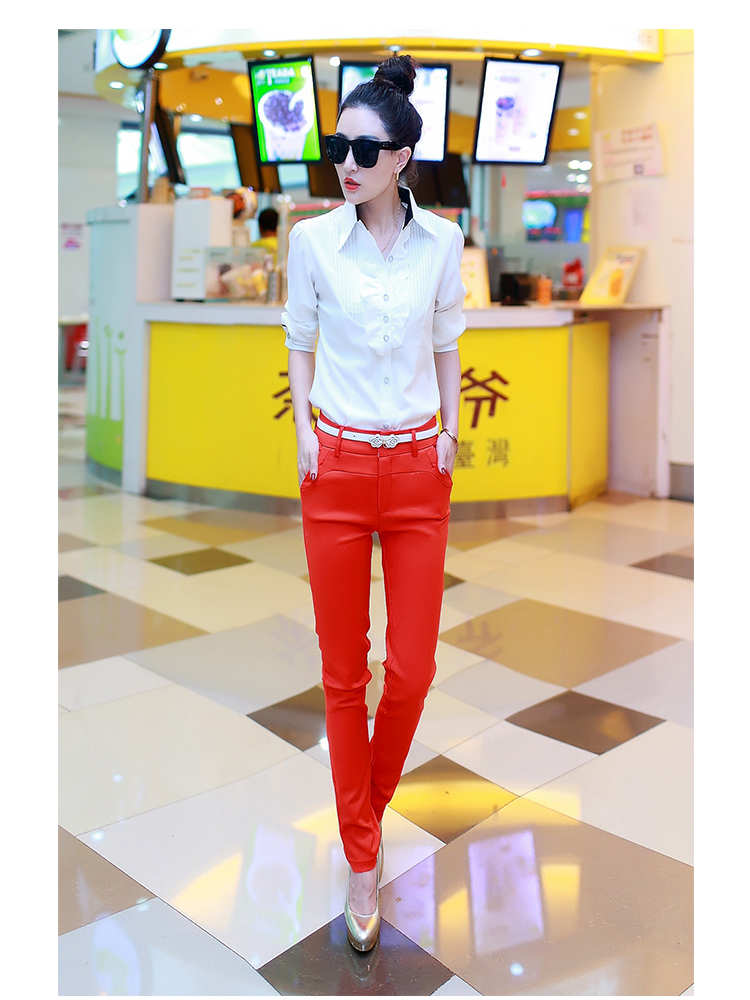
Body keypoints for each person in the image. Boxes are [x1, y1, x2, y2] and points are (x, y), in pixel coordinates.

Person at [281, 54, 465, 953]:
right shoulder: (313, 241)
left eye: (364, 150)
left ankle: (367, 807)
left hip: (419, 469)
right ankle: (363, 855)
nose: (346, 164)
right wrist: (306, 435)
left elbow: (447, 340)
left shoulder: (443, 243)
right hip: (340, 467)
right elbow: (300, 338)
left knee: (415, 669)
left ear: (401, 159)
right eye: (337, 147)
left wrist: (451, 431)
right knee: (343, 673)